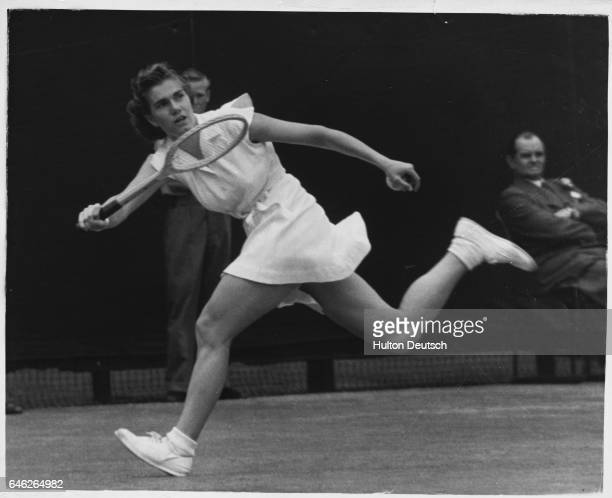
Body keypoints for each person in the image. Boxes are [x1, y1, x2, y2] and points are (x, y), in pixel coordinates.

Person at [77, 62, 536, 477]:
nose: (177, 107)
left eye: (179, 95)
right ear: (150, 115)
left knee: (212, 328)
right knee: (395, 333)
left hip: (288, 218)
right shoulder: (161, 160)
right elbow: (120, 208)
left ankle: (179, 445)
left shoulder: (235, 121)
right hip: (269, 232)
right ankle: (467, 249)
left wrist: (383, 161)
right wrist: (97, 215)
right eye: (163, 103)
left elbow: (317, 133)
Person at [160, 67, 237, 402]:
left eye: (205, 94)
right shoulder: (169, 132)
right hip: (186, 214)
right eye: (194, 95)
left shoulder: (218, 125)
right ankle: (180, 383)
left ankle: (214, 381)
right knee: (185, 297)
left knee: (220, 299)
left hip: (220, 211)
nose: (200, 101)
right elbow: (167, 179)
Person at [498, 131, 606, 308]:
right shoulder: (513, 197)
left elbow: (604, 211)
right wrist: (590, 227)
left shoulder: (560, 186)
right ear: (511, 161)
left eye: (539, 154)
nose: (534, 160)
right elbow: (554, 228)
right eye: (526, 155)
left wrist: (574, 211)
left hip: (590, 255)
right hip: (558, 267)